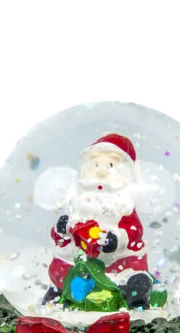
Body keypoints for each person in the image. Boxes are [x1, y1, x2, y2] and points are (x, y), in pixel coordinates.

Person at [45, 133, 163, 311]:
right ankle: (61, 291)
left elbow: (134, 231)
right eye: (95, 165)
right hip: (82, 259)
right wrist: (62, 228)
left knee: (135, 280)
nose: (100, 172)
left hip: (120, 262)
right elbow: (61, 238)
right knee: (61, 269)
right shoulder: (78, 202)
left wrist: (115, 239)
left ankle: (134, 300)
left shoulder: (124, 205)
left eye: (110, 165)